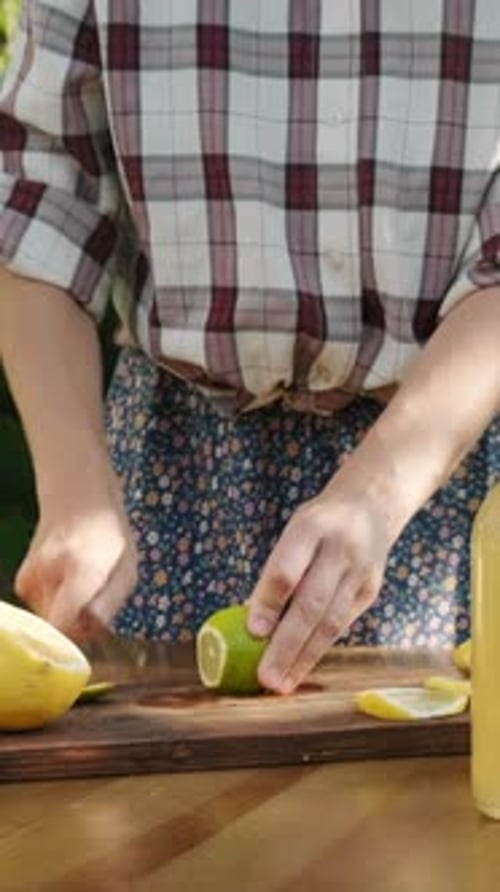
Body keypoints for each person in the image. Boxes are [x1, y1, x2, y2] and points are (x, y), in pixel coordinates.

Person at [1, 1, 500, 695]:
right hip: (174, 474)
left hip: (448, 478)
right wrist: (74, 487)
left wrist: (378, 491)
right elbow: (39, 200)